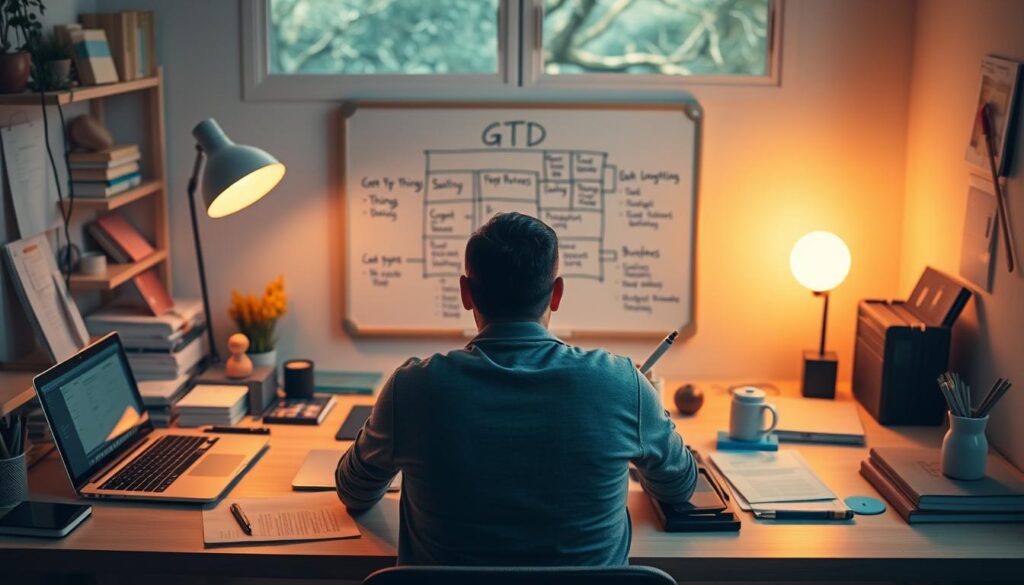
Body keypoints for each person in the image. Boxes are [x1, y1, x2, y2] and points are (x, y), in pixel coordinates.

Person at [336, 212, 697, 566]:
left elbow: (354, 492)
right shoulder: (621, 384)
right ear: (556, 294)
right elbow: (679, 487)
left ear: (466, 293)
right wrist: (640, 418)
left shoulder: (412, 388)